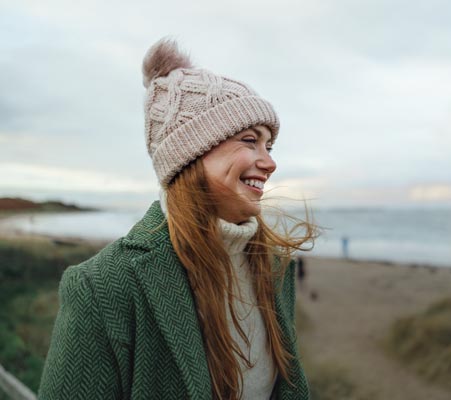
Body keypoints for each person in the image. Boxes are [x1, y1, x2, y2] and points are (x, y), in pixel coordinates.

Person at [38, 38, 316, 400]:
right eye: (250, 140)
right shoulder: (104, 288)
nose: (270, 162)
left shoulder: (275, 268)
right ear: (190, 154)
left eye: (269, 146)